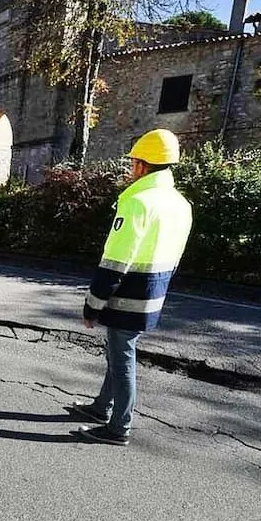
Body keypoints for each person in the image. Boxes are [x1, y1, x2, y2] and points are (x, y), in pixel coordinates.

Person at [71, 129, 193, 446]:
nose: (131, 169)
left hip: (127, 296)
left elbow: (115, 261)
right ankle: (101, 408)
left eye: (133, 163)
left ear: (141, 165)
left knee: (122, 360)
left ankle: (118, 427)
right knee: (118, 353)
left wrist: (93, 305)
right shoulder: (181, 204)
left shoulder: (138, 202)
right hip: (154, 293)